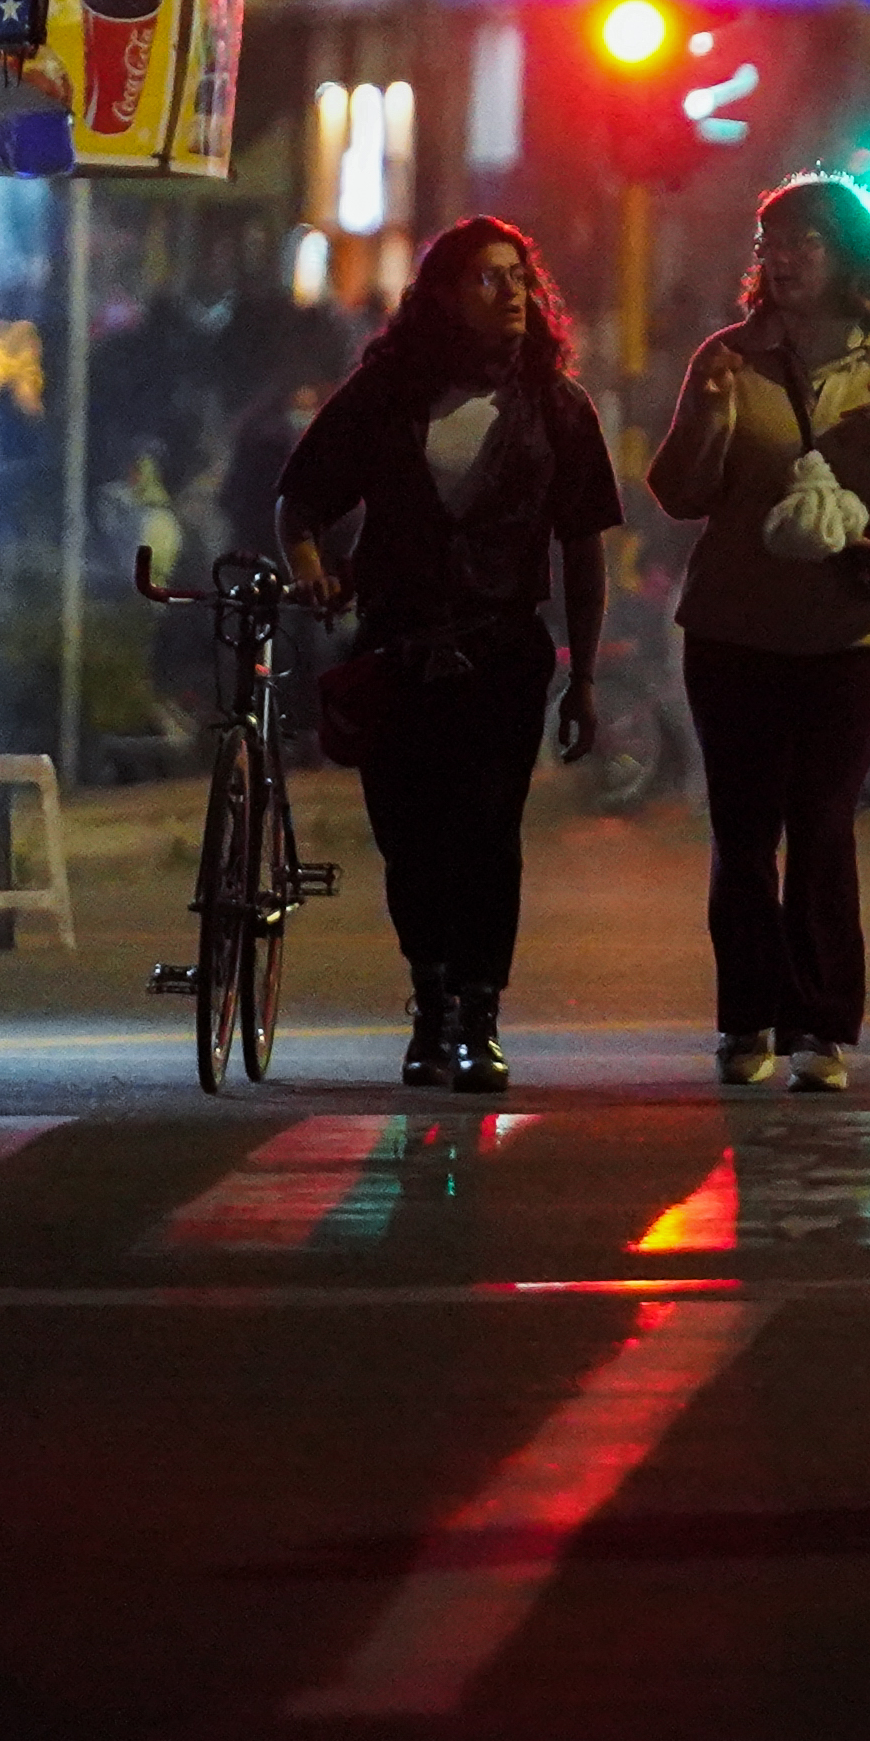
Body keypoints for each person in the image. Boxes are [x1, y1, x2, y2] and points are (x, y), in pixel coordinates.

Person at [279, 216, 621, 1089]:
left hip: (504, 651)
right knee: (409, 838)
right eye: (486, 279)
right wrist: (311, 569)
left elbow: (585, 548)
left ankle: (479, 1011)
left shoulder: (558, 407)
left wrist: (581, 679)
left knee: (488, 836)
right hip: (399, 646)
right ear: (442, 297)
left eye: (518, 277)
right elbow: (302, 498)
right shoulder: (387, 395)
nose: (510, 294)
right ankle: (428, 1001)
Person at [650, 172, 870, 1091]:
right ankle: (746, 1021)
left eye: (804, 241)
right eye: (770, 243)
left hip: (862, 624)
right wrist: (710, 413)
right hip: (738, 623)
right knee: (744, 828)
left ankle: (820, 1030)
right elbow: (678, 493)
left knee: (824, 817)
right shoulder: (727, 354)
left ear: (847, 254)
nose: (783, 258)